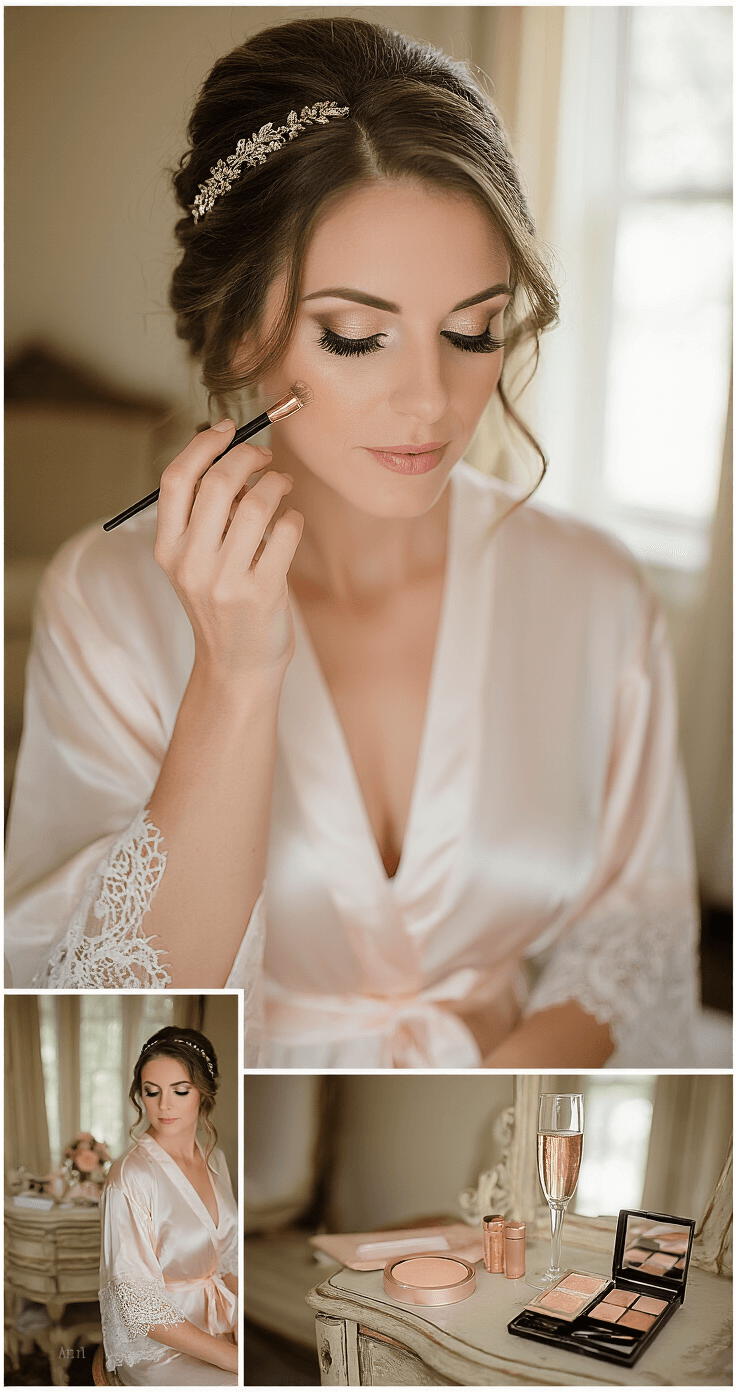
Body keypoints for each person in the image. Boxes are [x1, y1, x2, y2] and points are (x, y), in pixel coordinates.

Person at [5, 17, 699, 1067]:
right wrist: (234, 679)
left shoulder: (597, 594)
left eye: (472, 330)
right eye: (356, 336)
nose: (430, 399)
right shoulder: (105, 602)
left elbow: (635, 929)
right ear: (244, 330)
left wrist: (498, 1088)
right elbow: (114, 1005)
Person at [99, 1028, 238, 1384]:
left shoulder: (215, 1159)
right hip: (162, 1346)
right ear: (140, 1095)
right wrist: (231, 1358)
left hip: (222, 1322)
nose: (164, 1106)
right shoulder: (130, 1175)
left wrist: (243, 1332)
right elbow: (137, 1303)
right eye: (151, 1092)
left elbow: (229, 1261)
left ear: (202, 1093)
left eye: (180, 1090)